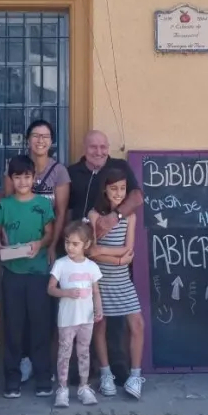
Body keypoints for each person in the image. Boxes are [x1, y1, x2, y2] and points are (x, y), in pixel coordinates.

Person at [66, 130, 142, 383]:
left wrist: (115, 216)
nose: (98, 151)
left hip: (110, 254)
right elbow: (63, 208)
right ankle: (80, 372)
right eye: (93, 147)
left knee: (115, 318)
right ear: (84, 147)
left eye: (102, 147)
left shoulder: (119, 166)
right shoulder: (72, 172)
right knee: (82, 314)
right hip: (79, 255)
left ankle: (117, 369)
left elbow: (137, 196)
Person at [3, 118, 71, 385]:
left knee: (41, 313)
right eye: (35, 135)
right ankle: (20, 363)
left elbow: (61, 213)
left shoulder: (59, 171)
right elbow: (6, 206)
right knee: (16, 315)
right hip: (16, 256)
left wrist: (52, 245)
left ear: (51, 141)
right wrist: (7, 246)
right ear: (28, 139)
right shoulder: (16, 167)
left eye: (45, 136)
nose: (40, 140)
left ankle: (40, 364)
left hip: (44, 252)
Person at [0, 154, 56, 398]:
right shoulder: (4, 205)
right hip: (12, 274)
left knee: (41, 326)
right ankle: (12, 378)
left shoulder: (43, 204)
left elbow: (50, 233)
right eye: (17, 177)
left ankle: (42, 376)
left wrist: (40, 244)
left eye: (27, 176)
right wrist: (0, 247)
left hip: (39, 273)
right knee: (13, 327)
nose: (22, 182)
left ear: (34, 178)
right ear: (11, 179)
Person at [87, 168, 145, 399]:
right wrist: (117, 258)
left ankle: (135, 375)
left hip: (122, 281)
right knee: (100, 326)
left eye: (122, 188)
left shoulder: (130, 216)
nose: (119, 193)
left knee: (137, 324)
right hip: (99, 281)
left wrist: (104, 250)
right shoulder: (94, 215)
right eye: (114, 189)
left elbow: (129, 249)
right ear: (105, 189)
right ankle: (105, 373)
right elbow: (90, 252)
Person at [48, 221, 103, 408]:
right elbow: (51, 289)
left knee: (84, 352)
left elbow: (96, 291)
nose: (70, 247)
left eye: (75, 243)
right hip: (66, 319)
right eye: (67, 242)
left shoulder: (92, 267)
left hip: (86, 319)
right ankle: (62, 389)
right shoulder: (60, 264)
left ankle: (83, 387)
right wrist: (67, 293)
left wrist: (98, 309)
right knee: (64, 353)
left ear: (86, 245)